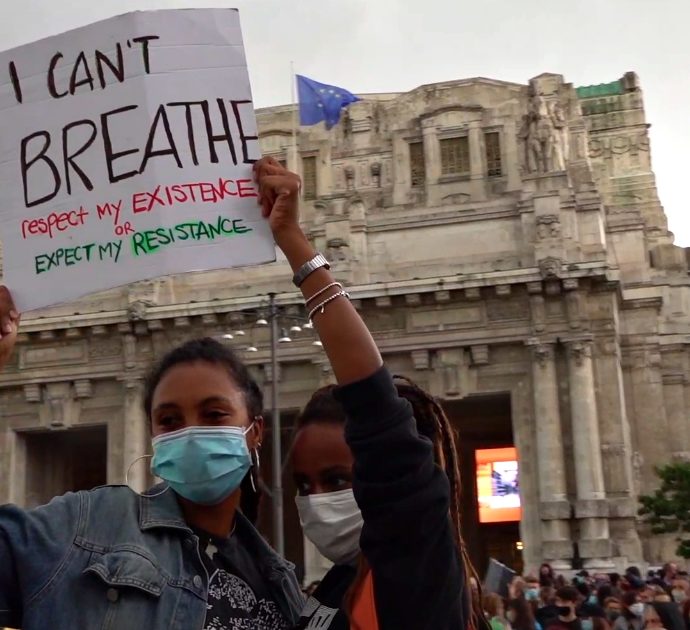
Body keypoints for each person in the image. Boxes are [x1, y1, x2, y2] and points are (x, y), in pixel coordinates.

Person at [0, 156, 332, 630]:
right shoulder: (86, 527)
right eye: (170, 420)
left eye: (214, 413)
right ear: (152, 434)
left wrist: (295, 245)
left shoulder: (281, 588)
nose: (191, 432)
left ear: (254, 431)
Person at [289, 369, 484, 628]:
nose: (316, 499)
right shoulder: (338, 581)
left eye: (336, 480)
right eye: (304, 485)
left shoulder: (413, 577)